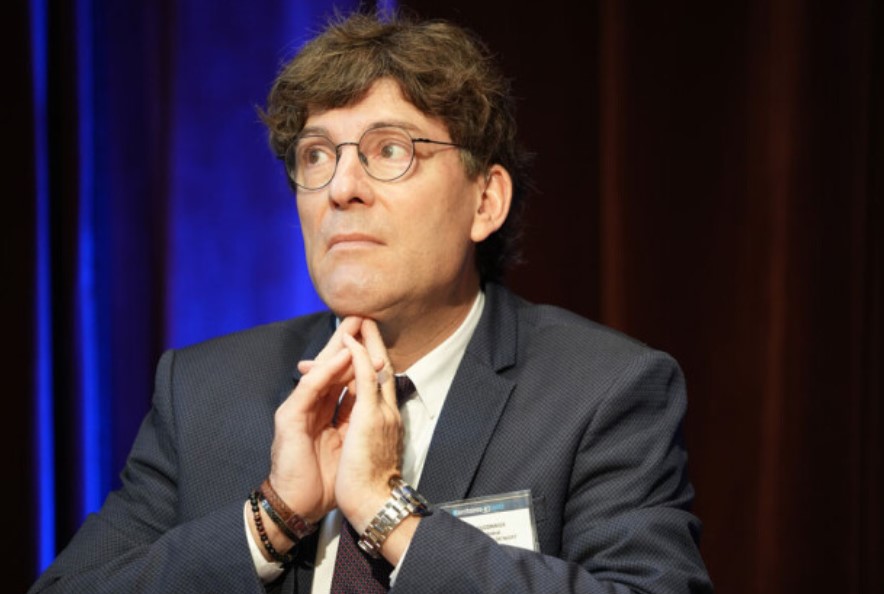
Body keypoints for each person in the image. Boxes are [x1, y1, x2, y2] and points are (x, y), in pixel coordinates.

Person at [31, 11, 712, 594]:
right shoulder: (203, 390)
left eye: (390, 150)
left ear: (486, 201)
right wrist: (271, 519)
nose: (341, 187)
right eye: (316, 156)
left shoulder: (601, 392)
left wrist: (391, 518)